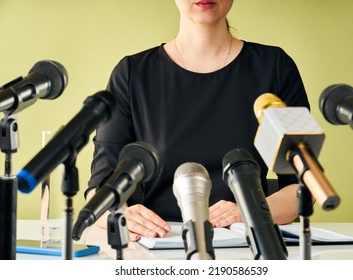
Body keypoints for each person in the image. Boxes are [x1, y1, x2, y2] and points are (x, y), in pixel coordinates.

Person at [85, 0, 310, 242]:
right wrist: (119, 215)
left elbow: (304, 185)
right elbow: (100, 188)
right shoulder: (132, 74)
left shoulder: (276, 67)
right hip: (157, 243)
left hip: (248, 242)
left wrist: (250, 211)